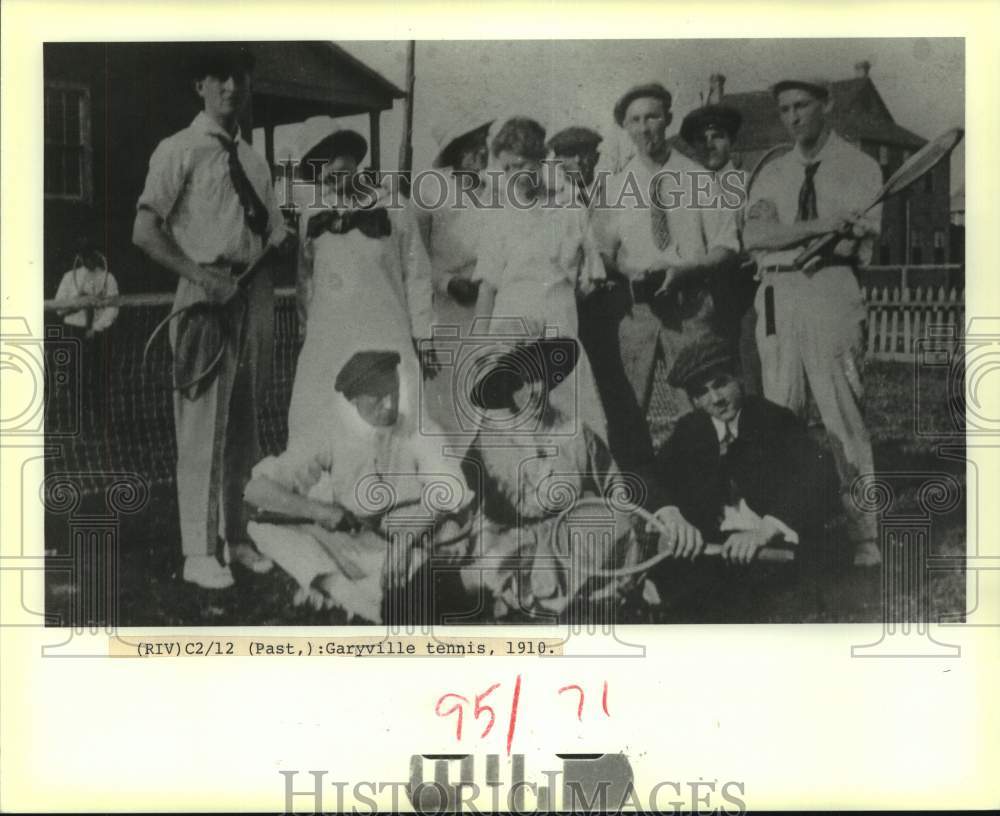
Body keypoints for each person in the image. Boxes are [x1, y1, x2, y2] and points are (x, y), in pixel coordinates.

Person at [133, 43, 292, 589]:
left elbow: (268, 229)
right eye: (220, 78)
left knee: (243, 430)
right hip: (203, 298)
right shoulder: (178, 149)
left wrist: (278, 236)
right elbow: (145, 231)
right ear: (200, 85)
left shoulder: (253, 161)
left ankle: (237, 538)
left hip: (251, 298)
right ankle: (197, 553)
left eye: (241, 77)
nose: (232, 87)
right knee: (202, 431)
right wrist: (204, 279)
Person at [742, 77, 883, 567]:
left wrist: (805, 236)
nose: (793, 116)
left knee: (843, 416)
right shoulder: (773, 172)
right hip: (777, 294)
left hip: (831, 289)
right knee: (779, 417)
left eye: (802, 105)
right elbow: (755, 237)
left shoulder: (860, 167)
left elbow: (854, 245)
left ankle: (863, 533)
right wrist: (821, 225)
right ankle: (786, 526)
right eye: (784, 109)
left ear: (826, 105)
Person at [244, 351, 473, 623]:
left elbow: (451, 489)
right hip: (352, 543)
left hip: (406, 548)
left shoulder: (417, 427)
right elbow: (256, 490)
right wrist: (321, 512)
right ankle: (339, 589)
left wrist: (406, 538)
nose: (389, 404)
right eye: (377, 399)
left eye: (393, 392)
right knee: (261, 528)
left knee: (428, 580)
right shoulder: (331, 431)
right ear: (354, 401)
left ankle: (367, 604)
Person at [593, 82, 740, 474]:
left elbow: (726, 245)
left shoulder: (699, 179)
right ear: (626, 128)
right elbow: (602, 252)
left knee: (702, 406)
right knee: (628, 413)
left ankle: (713, 494)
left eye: (653, 117)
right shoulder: (616, 185)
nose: (645, 128)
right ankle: (642, 504)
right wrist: (626, 270)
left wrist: (687, 269)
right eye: (635, 120)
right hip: (637, 310)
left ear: (668, 120)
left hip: (689, 306)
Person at [647, 336, 840, 621]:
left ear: (739, 377)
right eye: (703, 393)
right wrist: (672, 515)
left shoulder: (773, 420)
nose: (716, 399)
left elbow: (820, 475)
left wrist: (765, 529)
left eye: (721, 383)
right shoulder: (692, 429)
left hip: (775, 545)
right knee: (671, 598)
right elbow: (652, 475)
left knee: (770, 607)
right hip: (716, 546)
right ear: (695, 401)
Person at [459, 338, 647, 620]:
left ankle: (594, 602)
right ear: (509, 386)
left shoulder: (574, 432)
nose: (535, 390)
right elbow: (467, 508)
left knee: (616, 525)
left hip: (572, 538)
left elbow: (613, 485)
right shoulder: (487, 442)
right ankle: (523, 608)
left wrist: (624, 519)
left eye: (540, 379)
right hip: (514, 540)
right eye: (524, 381)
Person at [291, 117, 436, 441]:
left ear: (354, 157)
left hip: (385, 335)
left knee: (394, 424)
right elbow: (306, 282)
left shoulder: (395, 208)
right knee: (326, 428)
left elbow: (417, 274)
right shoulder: (312, 216)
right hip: (331, 341)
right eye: (319, 167)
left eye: (335, 159)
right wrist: (308, 332)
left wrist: (423, 333)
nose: (329, 171)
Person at [472, 116, 608, 441]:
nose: (513, 177)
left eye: (520, 166)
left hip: (559, 328)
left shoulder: (570, 210)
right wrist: (479, 348)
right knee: (514, 427)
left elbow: (591, 280)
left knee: (573, 422)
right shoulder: (499, 218)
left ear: (541, 161)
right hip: (510, 331)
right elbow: (487, 288)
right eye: (505, 170)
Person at [416, 118, 493, 440]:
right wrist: (447, 283)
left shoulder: (499, 191)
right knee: (445, 403)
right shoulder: (430, 191)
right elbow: (415, 259)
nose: (480, 152)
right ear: (455, 153)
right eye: (470, 146)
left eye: (484, 142)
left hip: (489, 308)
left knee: (487, 395)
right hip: (445, 312)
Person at [679, 99, 761, 394]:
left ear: (731, 141)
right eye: (701, 139)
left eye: (718, 137)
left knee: (747, 373)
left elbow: (757, 237)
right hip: (697, 298)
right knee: (709, 375)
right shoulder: (685, 189)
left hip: (740, 294)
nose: (709, 145)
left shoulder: (748, 184)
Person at [54, 244, 120, 337]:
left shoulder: (108, 278)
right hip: (71, 330)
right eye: (85, 256)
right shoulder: (69, 277)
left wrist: (96, 327)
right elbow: (58, 309)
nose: (89, 260)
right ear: (80, 257)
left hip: (98, 331)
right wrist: (77, 302)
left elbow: (113, 308)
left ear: (99, 255)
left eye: (92, 256)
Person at [546, 125, 603, 202]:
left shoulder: (611, 195)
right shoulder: (555, 206)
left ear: (596, 157)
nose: (578, 161)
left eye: (584, 154)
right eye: (569, 155)